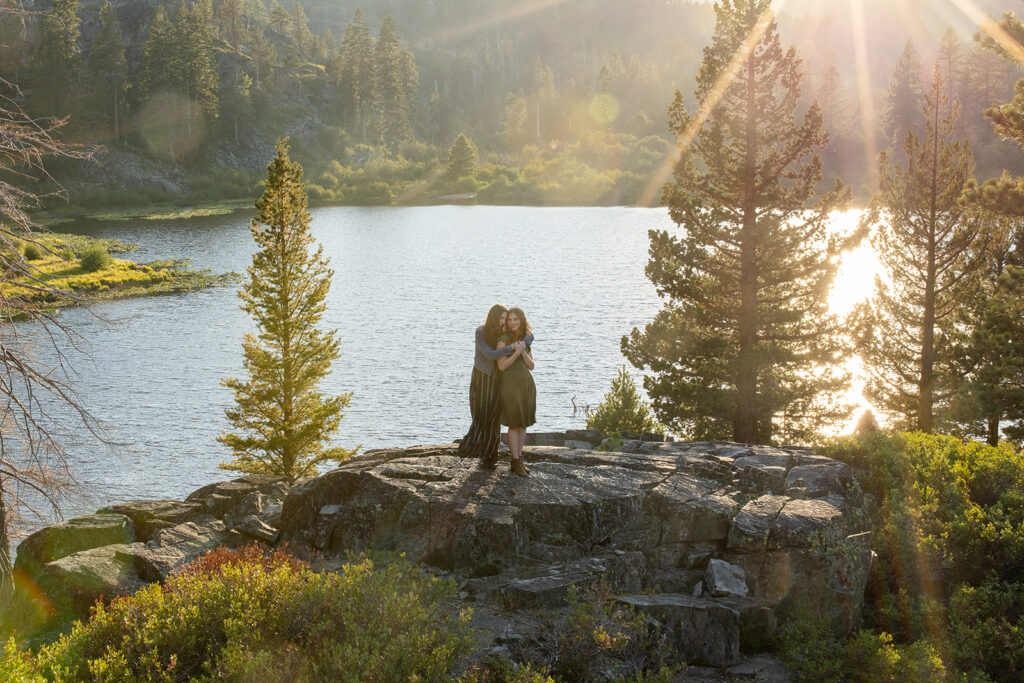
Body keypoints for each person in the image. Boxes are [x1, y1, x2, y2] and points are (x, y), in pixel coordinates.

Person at [458, 304, 532, 469]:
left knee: (494, 416)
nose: (502, 322)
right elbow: (490, 354)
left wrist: (524, 342)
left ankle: (491, 455)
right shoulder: (481, 332)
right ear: (492, 317)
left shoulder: (503, 333)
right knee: (481, 415)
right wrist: (512, 347)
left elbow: (527, 337)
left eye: (505, 319)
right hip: (482, 377)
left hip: (498, 378)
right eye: (500, 318)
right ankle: (474, 449)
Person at [497, 307, 536, 477]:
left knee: (523, 423)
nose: (512, 322)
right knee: (514, 424)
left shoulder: (525, 340)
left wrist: (522, 352)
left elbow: (532, 366)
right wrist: (515, 353)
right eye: (510, 320)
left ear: (521, 320)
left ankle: (519, 458)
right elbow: (502, 366)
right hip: (511, 386)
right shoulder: (503, 340)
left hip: (526, 384)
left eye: (515, 319)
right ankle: (514, 460)